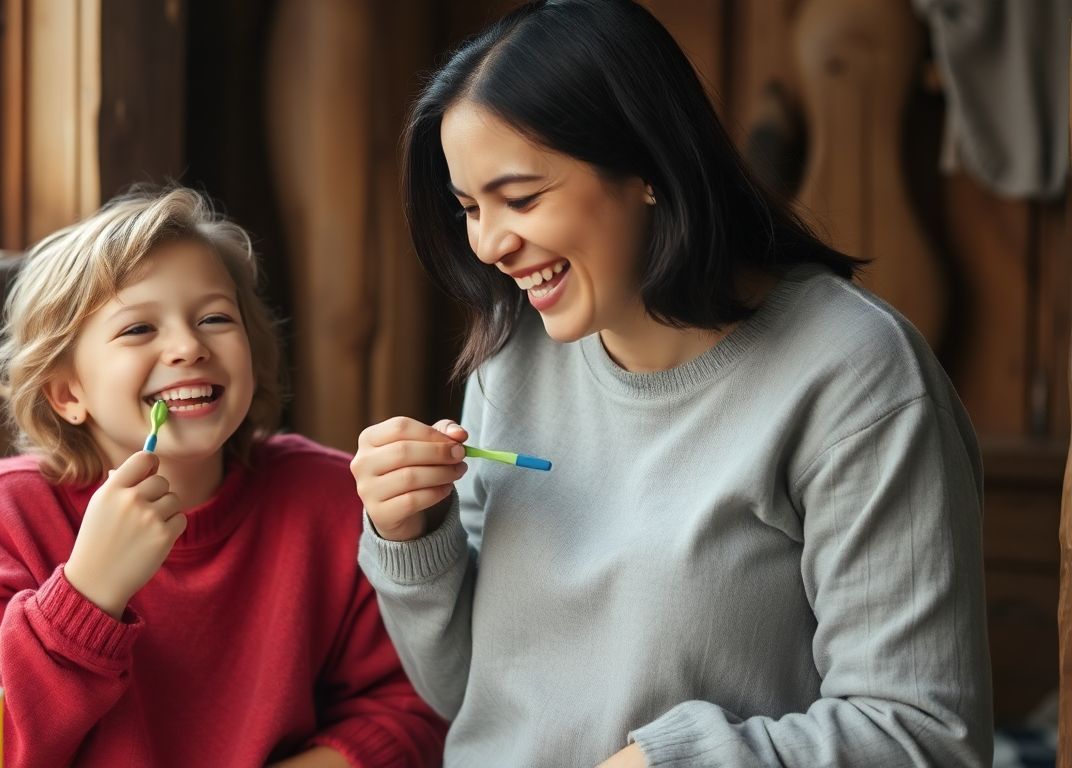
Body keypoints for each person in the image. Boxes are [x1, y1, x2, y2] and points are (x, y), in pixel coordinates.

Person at [350, 1, 992, 766]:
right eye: (469, 209)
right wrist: (412, 537)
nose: (489, 244)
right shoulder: (511, 362)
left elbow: (923, 734)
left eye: (520, 198)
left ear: (648, 167)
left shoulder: (855, 376)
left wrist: (671, 761)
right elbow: (469, 695)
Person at [0, 187, 447, 768]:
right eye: (137, 330)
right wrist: (86, 593)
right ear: (67, 392)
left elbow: (411, 707)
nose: (187, 346)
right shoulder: (10, 512)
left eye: (214, 318)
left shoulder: (327, 497)